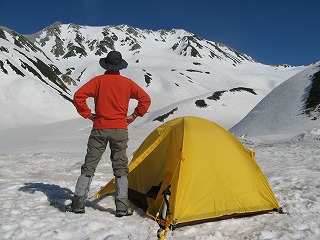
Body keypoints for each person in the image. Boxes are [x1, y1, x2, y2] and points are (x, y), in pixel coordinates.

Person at [66, 51, 151, 217]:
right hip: (120, 129)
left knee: (89, 165)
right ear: (120, 66)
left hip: (99, 128)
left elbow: (78, 97)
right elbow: (145, 99)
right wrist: (134, 115)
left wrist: (88, 114)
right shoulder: (127, 83)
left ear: (106, 65)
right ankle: (121, 206)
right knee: (120, 168)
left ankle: (78, 204)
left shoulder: (98, 81)